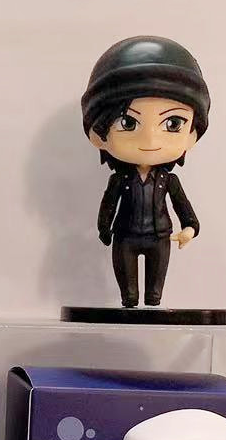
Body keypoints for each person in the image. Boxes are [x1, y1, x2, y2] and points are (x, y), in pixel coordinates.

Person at [81, 36, 209, 309]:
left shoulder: (168, 180)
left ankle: (152, 304)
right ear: (98, 134)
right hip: (125, 236)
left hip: (159, 237)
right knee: (129, 296)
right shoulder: (120, 180)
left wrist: (190, 227)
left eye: (173, 123)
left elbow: (182, 206)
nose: (150, 140)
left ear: (192, 135)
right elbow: (108, 205)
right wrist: (104, 229)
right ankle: (130, 302)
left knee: (154, 295)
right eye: (128, 123)